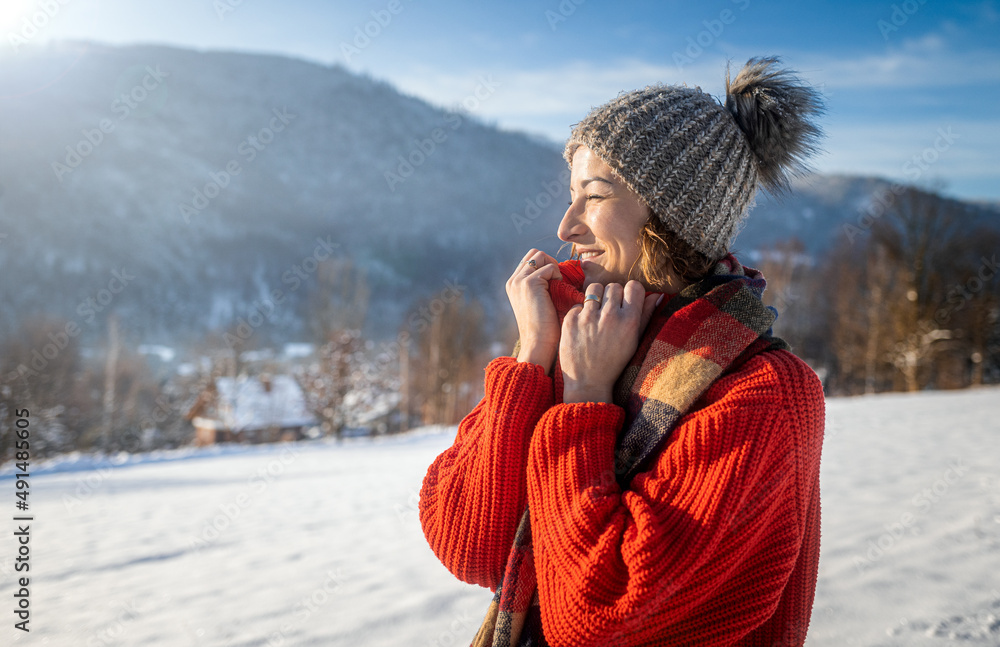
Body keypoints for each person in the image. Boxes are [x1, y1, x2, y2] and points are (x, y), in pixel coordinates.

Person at [419, 57, 826, 647]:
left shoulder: (764, 394)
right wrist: (532, 357)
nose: (566, 226)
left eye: (595, 196)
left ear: (673, 215)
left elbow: (600, 614)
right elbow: (470, 544)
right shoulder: (579, 335)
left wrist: (585, 398)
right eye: (570, 195)